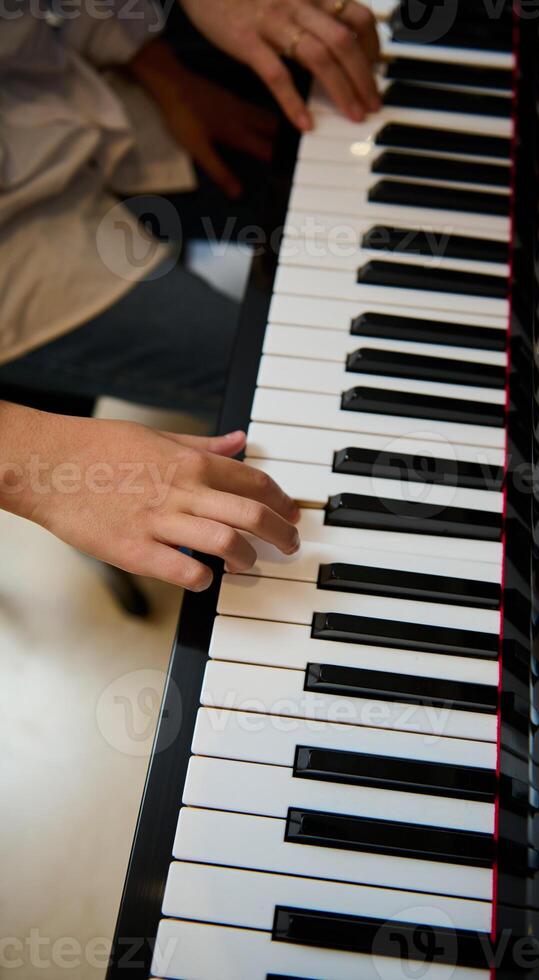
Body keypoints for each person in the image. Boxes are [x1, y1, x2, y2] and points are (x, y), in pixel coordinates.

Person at [0, 0, 380, 590]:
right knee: (294, 379)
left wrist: (155, 60)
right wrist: (34, 460)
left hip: (66, 96)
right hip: (19, 265)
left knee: (339, 180)